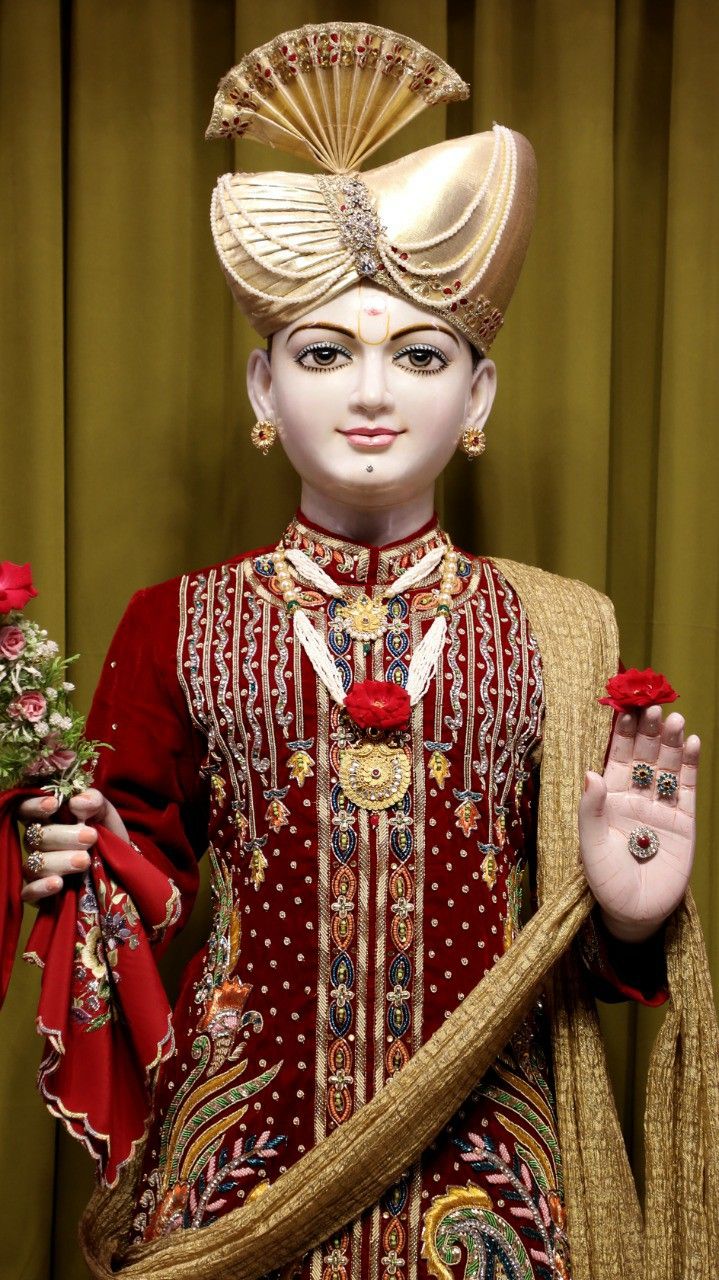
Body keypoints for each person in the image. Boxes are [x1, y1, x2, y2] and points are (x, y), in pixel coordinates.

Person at [12, 23, 714, 1280]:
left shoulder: (559, 623)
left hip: (497, 1178)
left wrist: (626, 917)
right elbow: (142, 895)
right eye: (325, 352)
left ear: (479, 397)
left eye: (420, 353)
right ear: (262, 387)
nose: (371, 391)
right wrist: (73, 859)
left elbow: (589, 961)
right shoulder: (174, 619)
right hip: (239, 1178)